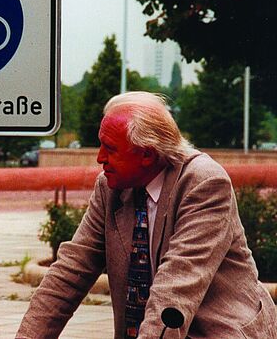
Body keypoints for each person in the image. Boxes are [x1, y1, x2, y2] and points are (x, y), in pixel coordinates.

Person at [17, 91, 277, 338]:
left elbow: (176, 287)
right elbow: (69, 272)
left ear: (147, 154)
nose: (99, 158)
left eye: (110, 149)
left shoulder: (203, 182)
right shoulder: (109, 187)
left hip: (216, 331)